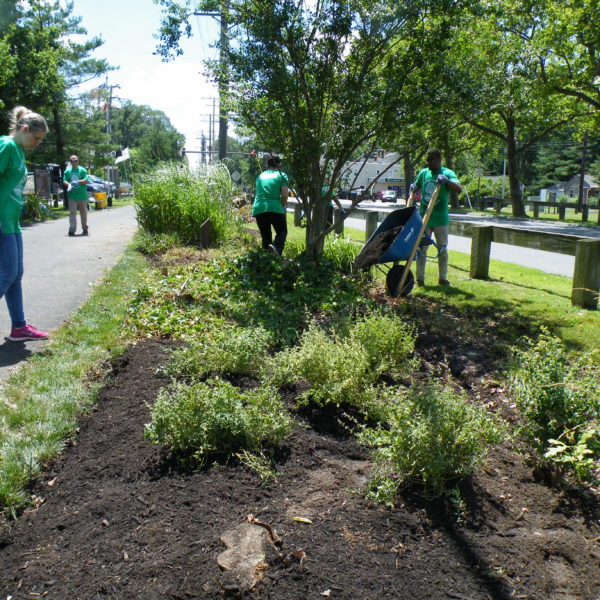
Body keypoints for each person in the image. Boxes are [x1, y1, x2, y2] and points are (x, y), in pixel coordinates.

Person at [0, 106, 49, 341]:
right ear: (25, 129)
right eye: (36, 138)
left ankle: (19, 327)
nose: (37, 143)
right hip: (1, 221)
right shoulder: (7, 146)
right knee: (7, 273)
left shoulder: (19, 151)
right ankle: (19, 326)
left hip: (11, 222)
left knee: (16, 274)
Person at [411, 149, 461, 287]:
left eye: (430, 160)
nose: (428, 163)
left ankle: (442, 278)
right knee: (421, 249)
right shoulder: (423, 173)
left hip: (440, 219)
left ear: (438, 160)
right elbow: (417, 185)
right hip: (425, 218)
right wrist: (414, 187)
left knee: (442, 249)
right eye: (427, 160)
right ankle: (419, 279)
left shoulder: (447, 173)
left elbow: (459, 189)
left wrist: (446, 181)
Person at [252, 155, 289, 256]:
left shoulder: (259, 176)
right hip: (274, 207)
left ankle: (266, 262)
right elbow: (285, 195)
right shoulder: (282, 175)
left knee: (266, 236)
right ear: (279, 164)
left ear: (267, 164)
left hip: (259, 207)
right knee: (282, 232)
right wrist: (282, 205)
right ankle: (275, 248)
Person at [63, 155, 89, 236]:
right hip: (72, 195)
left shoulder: (82, 170)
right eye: (72, 161)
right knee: (72, 213)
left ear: (78, 161)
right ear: (70, 162)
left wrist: (78, 181)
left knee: (83, 213)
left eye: (75, 160)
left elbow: (86, 180)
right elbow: (64, 180)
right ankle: (72, 230)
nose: (74, 162)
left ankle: (85, 229)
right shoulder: (67, 171)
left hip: (82, 195)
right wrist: (69, 184)